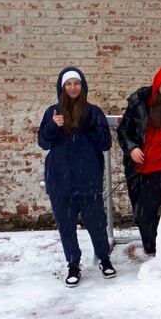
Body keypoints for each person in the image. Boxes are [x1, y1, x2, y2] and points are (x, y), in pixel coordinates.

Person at [38, 67, 116, 287]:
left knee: (97, 223)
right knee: (66, 226)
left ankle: (104, 258)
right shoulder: (53, 112)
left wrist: (89, 125)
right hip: (60, 180)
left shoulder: (94, 112)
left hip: (88, 179)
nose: (73, 88)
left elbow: (105, 143)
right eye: (68, 84)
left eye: (76, 83)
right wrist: (54, 127)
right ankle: (73, 263)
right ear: (62, 88)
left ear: (83, 86)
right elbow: (43, 143)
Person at [116, 66, 161, 256]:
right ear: (157, 81)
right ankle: (152, 250)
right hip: (135, 167)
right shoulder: (139, 101)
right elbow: (123, 131)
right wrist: (131, 148)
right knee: (139, 216)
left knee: (144, 213)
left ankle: (158, 251)